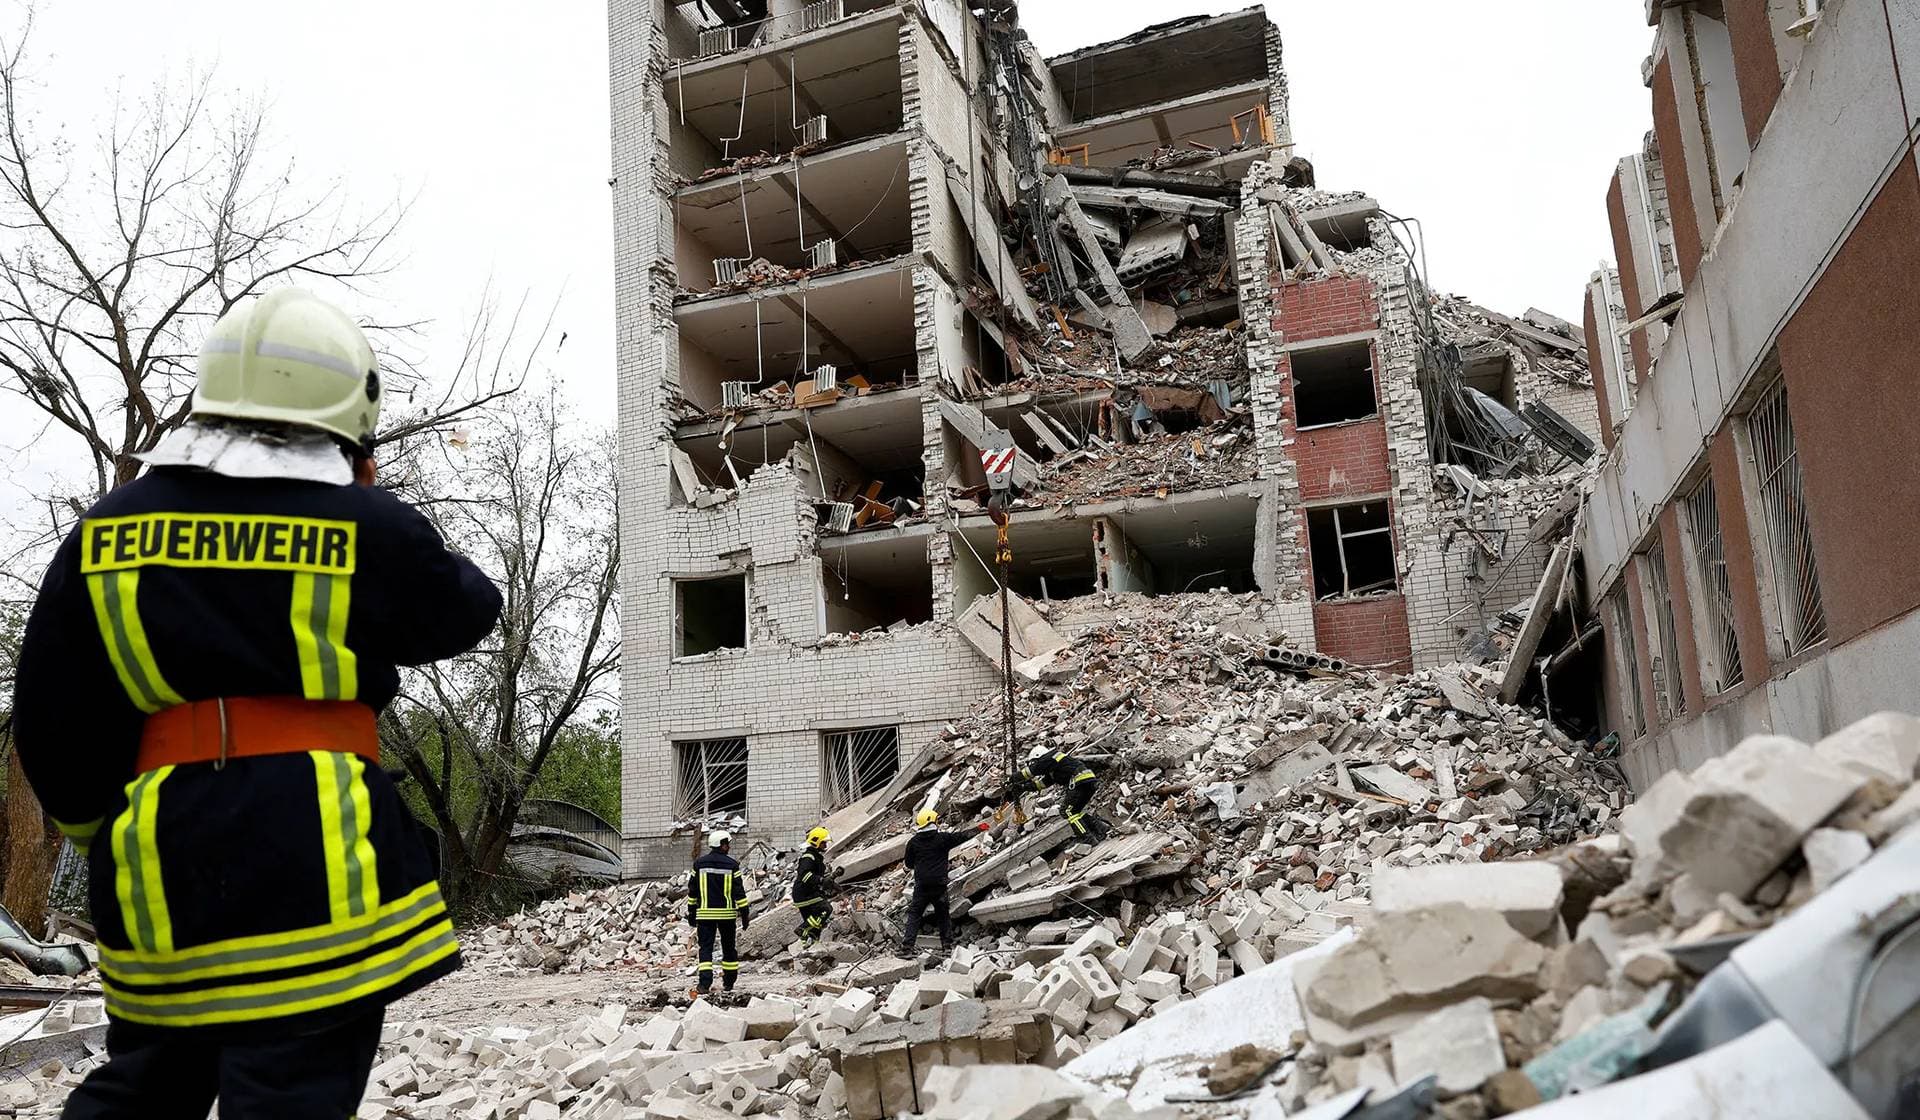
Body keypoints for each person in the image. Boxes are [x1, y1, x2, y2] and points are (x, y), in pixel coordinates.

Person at [12, 289, 503, 1119]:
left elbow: (51, 720)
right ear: (349, 419)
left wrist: (108, 837)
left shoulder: (104, 531)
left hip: (159, 860)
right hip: (313, 870)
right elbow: (466, 606)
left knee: (150, 1078)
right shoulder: (359, 521)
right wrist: (365, 496)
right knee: (289, 1089)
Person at [899, 809, 988, 953]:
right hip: (939, 884)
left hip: (922, 885)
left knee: (915, 914)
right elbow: (962, 836)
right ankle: (947, 946)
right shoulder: (943, 838)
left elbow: (908, 864)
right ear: (933, 822)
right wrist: (979, 828)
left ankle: (907, 947)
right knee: (943, 915)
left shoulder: (913, 843)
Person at [688, 831, 751, 994]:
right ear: (721, 844)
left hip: (705, 914)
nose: (729, 847)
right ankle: (729, 982)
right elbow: (739, 891)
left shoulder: (699, 864)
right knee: (729, 948)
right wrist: (744, 914)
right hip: (727, 915)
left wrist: (691, 913)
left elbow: (692, 891)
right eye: (727, 844)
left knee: (705, 949)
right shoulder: (732, 865)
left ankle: (704, 985)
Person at [1016, 746, 1109, 841]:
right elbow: (1042, 783)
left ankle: (1088, 838)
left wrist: (1014, 778)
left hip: (1079, 782)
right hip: (1087, 781)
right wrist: (1023, 787)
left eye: (1035, 762)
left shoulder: (1049, 758)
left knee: (1067, 811)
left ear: (1039, 757)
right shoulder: (1053, 766)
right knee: (1075, 811)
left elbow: (1031, 771)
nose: (1035, 764)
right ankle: (1102, 829)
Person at [792, 826, 836, 947]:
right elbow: (805, 876)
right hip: (804, 894)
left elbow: (815, 875)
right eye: (823, 843)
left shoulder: (815, 856)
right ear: (816, 842)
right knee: (826, 909)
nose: (825, 846)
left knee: (815, 923)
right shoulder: (809, 857)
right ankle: (802, 929)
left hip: (805, 893)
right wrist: (821, 880)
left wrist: (830, 883)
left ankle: (808, 945)